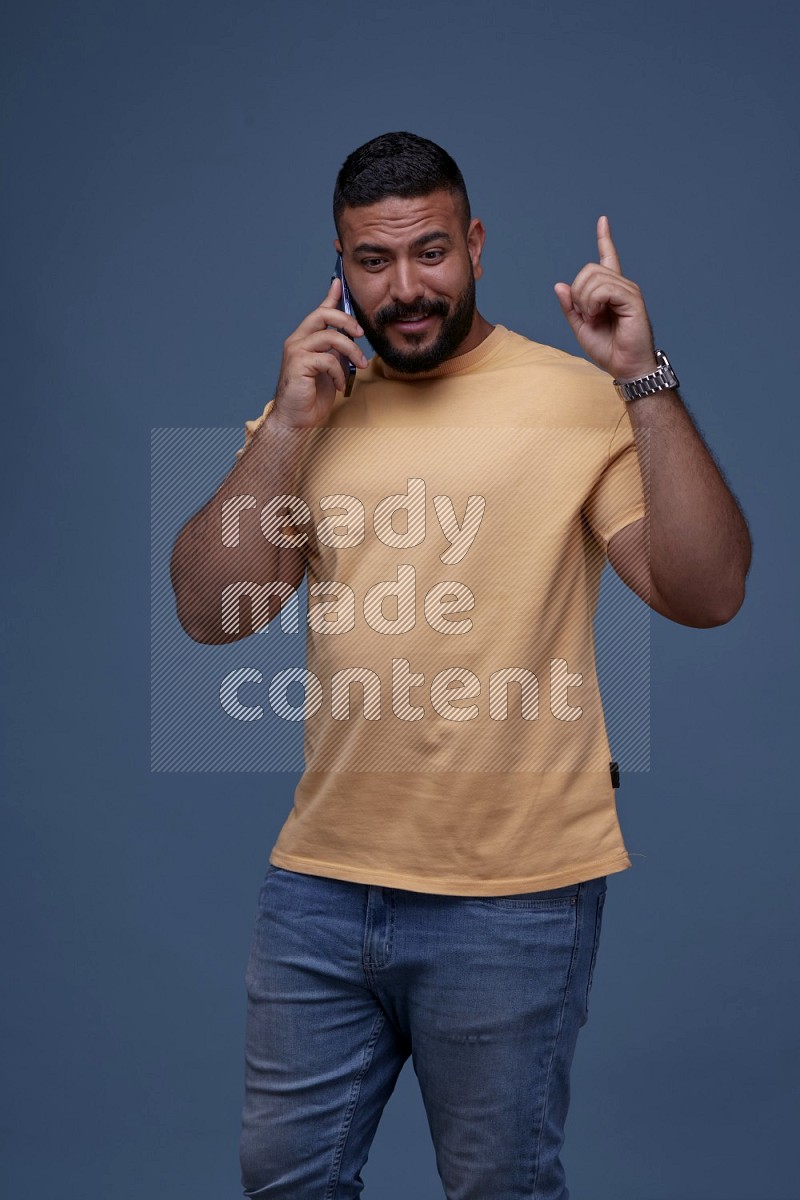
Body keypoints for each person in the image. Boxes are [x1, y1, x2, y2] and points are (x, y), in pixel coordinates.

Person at [170, 132, 752, 1199]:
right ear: (337, 265)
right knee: (281, 1180)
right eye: (372, 261)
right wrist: (285, 422)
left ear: (475, 243)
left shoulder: (575, 397)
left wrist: (640, 378)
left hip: (513, 894)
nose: (404, 289)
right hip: (320, 885)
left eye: (429, 252)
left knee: (498, 1187)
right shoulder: (316, 404)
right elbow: (213, 613)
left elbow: (705, 593)